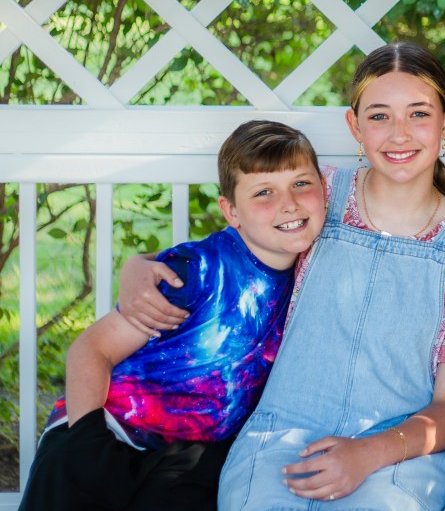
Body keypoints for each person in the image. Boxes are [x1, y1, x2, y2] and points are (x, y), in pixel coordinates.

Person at [118, 43, 445, 509]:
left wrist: (365, 454)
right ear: (354, 126)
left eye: (418, 113)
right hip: (281, 435)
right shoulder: (316, 192)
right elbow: (232, 250)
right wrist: (138, 267)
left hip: (398, 455)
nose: (399, 134)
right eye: (379, 116)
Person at [19, 120, 327, 510]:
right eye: (264, 191)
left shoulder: (316, 269)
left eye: (301, 183)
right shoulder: (197, 271)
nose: (289, 203)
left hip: (189, 455)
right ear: (231, 211)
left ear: (324, 187)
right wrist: (87, 440)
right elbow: (92, 348)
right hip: (104, 429)